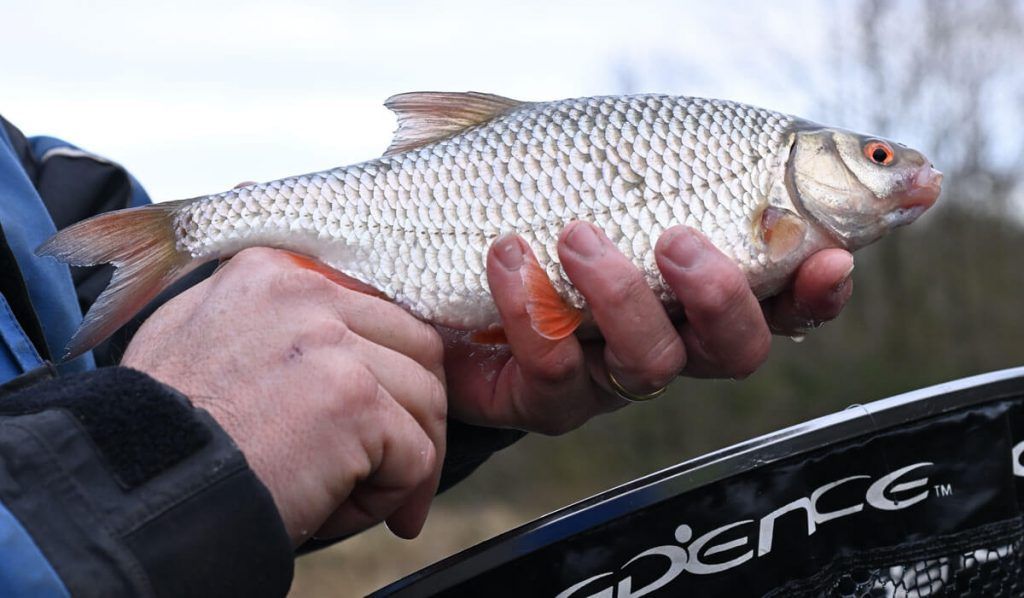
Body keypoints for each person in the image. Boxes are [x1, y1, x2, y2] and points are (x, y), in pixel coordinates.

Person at [0, 115, 854, 596]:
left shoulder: (42, 184)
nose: (897, 173)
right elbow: (161, 398)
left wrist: (435, 376)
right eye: (876, 159)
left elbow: (139, 356)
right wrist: (169, 458)